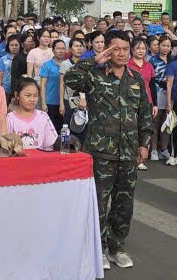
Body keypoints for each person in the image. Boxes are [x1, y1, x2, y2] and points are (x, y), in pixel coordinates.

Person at [64, 31, 154, 270]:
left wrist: (144, 143)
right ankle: (99, 248)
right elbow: (70, 79)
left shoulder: (136, 79)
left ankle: (117, 246)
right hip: (101, 152)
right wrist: (93, 60)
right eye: (116, 49)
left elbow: (144, 113)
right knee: (99, 204)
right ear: (107, 50)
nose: (122, 53)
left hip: (128, 152)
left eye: (125, 49)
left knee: (124, 204)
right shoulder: (94, 75)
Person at [5, 77, 58, 150]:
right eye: (28, 96)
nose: (32, 100)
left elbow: (51, 144)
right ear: (17, 95)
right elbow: (6, 146)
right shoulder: (10, 119)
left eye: (35, 96)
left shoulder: (43, 117)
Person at [39, 39, 68, 128]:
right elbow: (43, 85)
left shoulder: (67, 64)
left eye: (63, 48)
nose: (61, 51)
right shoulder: (47, 65)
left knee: (63, 129)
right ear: (53, 50)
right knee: (51, 128)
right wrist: (43, 103)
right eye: (58, 48)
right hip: (50, 102)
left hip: (65, 102)